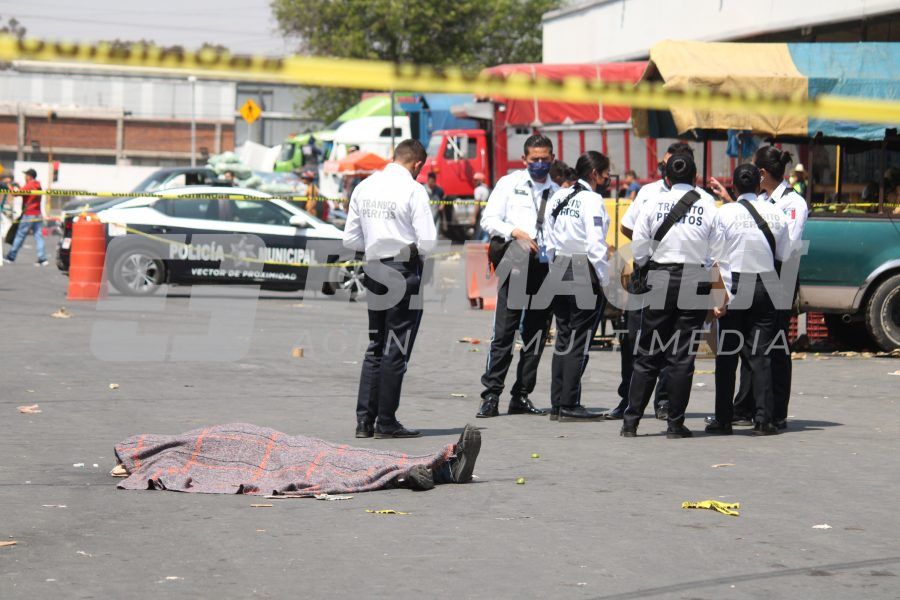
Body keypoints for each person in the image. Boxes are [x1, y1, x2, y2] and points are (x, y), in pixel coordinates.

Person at [621, 153, 722, 439]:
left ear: (666, 176)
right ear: (695, 176)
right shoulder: (707, 204)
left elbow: (639, 247)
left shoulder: (652, 201)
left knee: (648, 353)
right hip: (693, 278)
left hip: (660, 277)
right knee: (681, 357)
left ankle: (631, 422)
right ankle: (675, 425)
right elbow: (715, 254)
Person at [343, 139, 437, 439]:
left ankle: (363, 422)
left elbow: (350, 241)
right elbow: (429, 242)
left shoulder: (365, 187)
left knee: (376, 346)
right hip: (403, 270)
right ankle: (386, 422)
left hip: (374, 270)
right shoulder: (414, 190)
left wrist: (377, 241)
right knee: (395, 348)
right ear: (418, 165)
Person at [605, 142, 701, 421]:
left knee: (673, 347)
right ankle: (628, 401)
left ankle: (663, 401)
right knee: (634, 341)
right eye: (664, 164)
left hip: (679, 278)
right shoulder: (648, 192)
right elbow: (628, 225)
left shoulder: (700, 199)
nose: (666, 169)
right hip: (646, 276)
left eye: (671, 164)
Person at [477, 133, 560, 418]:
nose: (539, 163)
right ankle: (490, 396)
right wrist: (515, 232)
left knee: (536, 334)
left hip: (544, 265)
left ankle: (521, 395)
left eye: (544, 159)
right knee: (504, 332)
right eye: (534, 159)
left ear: (552, 158)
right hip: (514, 258)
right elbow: (488, 220)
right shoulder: (509, 184)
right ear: (524, 159)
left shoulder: (558, 192)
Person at [706, 164, 791, 436]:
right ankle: (764, 421)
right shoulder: (776, 213)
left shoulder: (725, 213)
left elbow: (714, 260)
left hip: (734, 288)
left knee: (728, 357)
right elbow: (784, 256)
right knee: (761, 356)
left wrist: (719, 298)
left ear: (733, 186)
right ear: (758, 186)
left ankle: (723, 420)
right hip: (766, 286)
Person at [731, 146, 809, 429]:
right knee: (749, 344)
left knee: (775, 345)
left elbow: (786, 250)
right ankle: (745, 407)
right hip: (757, 274)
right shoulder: (762, 199)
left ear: (762, 173)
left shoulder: (793, 204)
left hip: (780, 275)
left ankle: (776, 411)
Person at [545, 151, 611, 420]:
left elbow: (548, 237)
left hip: (559, 266)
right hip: (582, 268)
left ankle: (558, 403)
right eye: (605, 174)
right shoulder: (593, 200)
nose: (607, 179)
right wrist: (606, 280)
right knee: (578, 339)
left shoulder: (558, 196)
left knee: (563, 336)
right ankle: (570, 404)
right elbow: (596, 245)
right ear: (595, 174)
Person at [6, 169, 47, 266]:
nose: (24, 177)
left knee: (20, 235)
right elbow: (25, 193)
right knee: (38, 236)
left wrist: (10, 186)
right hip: (37, 213)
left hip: (29, 214)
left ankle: (11, 257)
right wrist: (19, 187)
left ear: (29, 176)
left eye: (26, 175)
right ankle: (42, 259)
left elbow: (16, 194)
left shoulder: (30, 185)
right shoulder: (37, 185)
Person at [472, 172, 490, 241]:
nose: (474, 182)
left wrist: (474, 217)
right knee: (485, 231)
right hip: (487, 212)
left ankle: (483, 248)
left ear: (480, 180)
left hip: (482, 213)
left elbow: (477, 204)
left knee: (481, 231)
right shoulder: (486, 188)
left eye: (476, 180)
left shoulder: (478, 190)